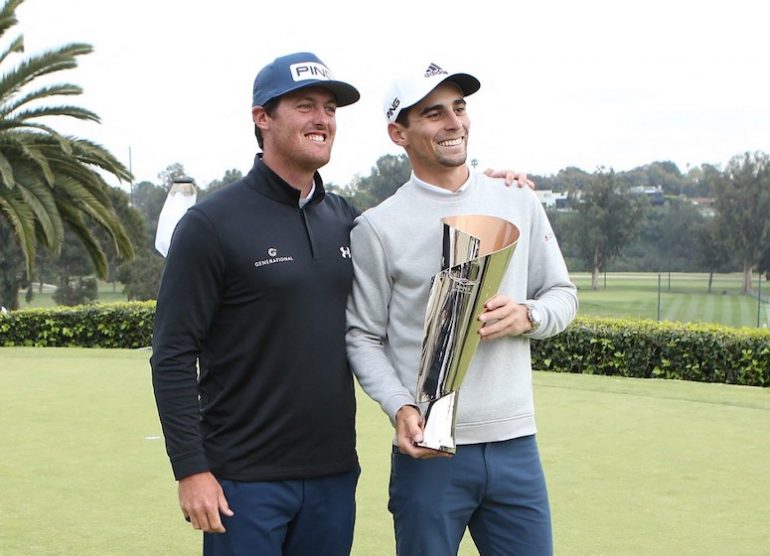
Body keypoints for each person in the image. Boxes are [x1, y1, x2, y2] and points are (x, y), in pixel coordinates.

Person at [345, 62, 578, 555]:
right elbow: (363, 336)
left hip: (517, 444)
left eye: (459, 107)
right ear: (398, 133)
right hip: (429, 453)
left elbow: (562, 294)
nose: (453, 122)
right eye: (433, 113)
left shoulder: (517, 199)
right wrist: (399, 405)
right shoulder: (377, 227)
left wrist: (528, 316)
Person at [151, 52, 362, 556]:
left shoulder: (347, 220)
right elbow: (173, 354)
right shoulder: (210, 224)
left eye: (330, 108)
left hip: (334, 475)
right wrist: (191, 469)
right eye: (305, 105)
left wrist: (484, 191)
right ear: (262, 117)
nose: (322, 119)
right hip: (243, 482)